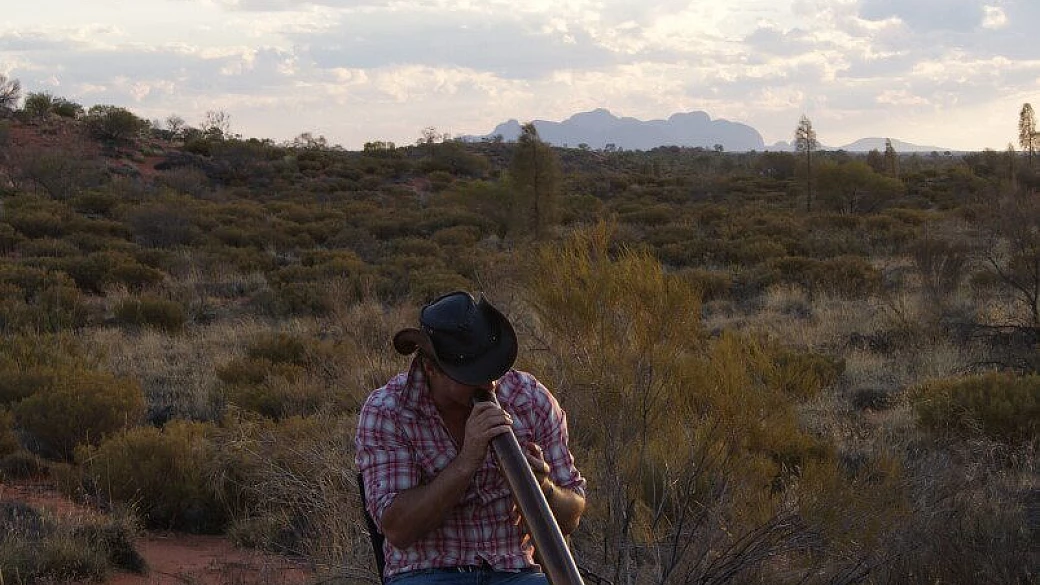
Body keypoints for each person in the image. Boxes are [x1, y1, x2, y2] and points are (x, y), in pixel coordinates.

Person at [355, 291, 586, 585]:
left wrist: (544, 488)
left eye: (491, 369)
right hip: (427, 573)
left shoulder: (530, 399)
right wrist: (466, 461)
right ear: (430, 368)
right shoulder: (388, 411)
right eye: (469, 373)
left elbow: (573, 515)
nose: (488, 383)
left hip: (516, 573)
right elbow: (399, 529)